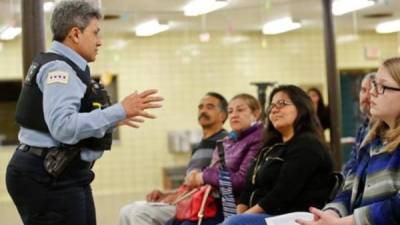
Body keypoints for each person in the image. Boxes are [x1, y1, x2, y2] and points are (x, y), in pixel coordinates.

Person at [6, 1, 163, 225]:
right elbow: (63, 127)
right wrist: (119, 110)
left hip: (57, 173)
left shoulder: (61, 65)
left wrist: (114, 119)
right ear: (75, 34)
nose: (100, 41)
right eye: (95, 33)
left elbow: (57, 120)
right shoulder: (61, 70)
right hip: (48, 177)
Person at [296, 57, 400, 225]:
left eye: (382, 86)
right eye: (374, 84)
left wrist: (345, 222)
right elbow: (350, 186)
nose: (372, 92)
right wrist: (332, 213)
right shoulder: (372, 138)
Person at [219, 85, 334, 225]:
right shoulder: (270, 146)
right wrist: (240, 213)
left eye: (282, 103)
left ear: (302, 108)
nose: (274, 109)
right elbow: (249, 186)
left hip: (297, 216)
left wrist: (240, 219)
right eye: (272, 106)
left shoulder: (307, 144)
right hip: (268, 215)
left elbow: (281, 195)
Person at [118, 92, 229, 225]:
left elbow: (207, 183)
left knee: (139, 213)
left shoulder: (224, 142)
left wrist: (175, 197)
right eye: (200, 107)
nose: (203, 110)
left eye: (209, 107)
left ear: (223, 115)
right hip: (185, 200)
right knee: (126, 211)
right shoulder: (199, 146)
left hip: (201, 205)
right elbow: (188, 184)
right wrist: (165, 195)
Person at [166, 93, 264, 225]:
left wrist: (203, 176)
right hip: (214, 201)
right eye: (231, 111)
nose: (234, 114)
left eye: (240, 110)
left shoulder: (258, 139)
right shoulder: (229, 141)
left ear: (256, 113)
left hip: (232, 206)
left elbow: (241, 179)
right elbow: (215, 170)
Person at [342, 72, 375, 175]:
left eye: (371, 90)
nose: (366, 96)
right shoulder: (363, 129)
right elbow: (352, 166)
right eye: (363, 90)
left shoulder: (387, 128)